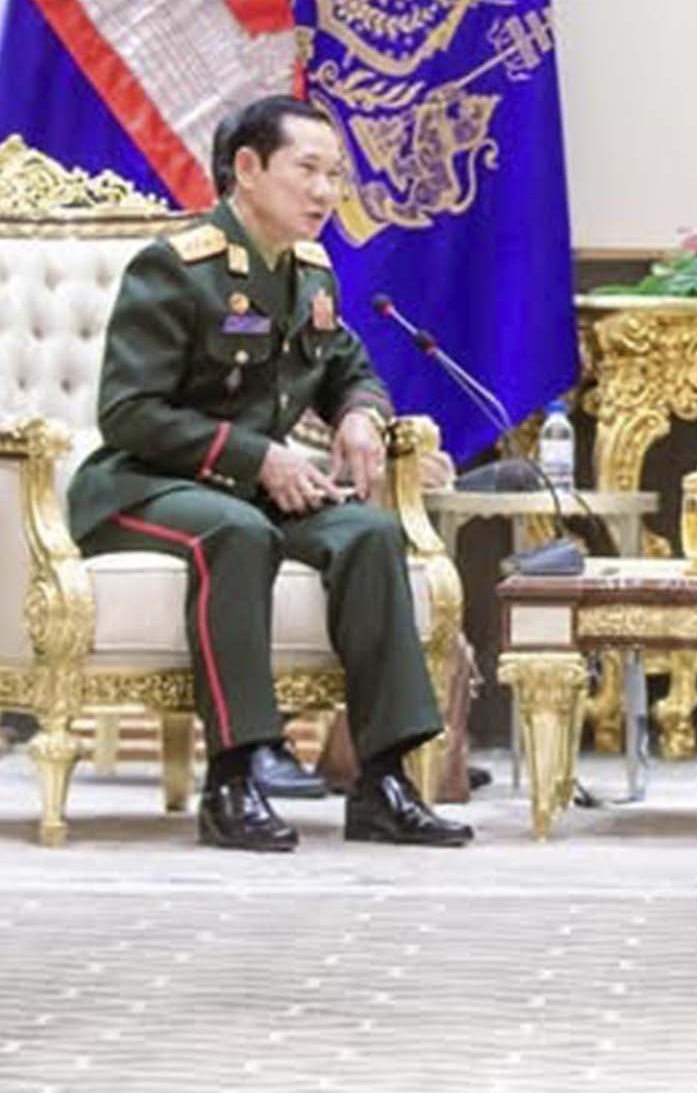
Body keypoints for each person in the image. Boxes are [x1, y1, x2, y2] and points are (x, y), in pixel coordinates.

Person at [70, 95, 472, 852]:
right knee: (236, 532)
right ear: (247, 169)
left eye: (334, 175)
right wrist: (257, 457)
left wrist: (359, 414)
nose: (325, 192)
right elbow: (127, 414)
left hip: (250, 490)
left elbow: (351, 369)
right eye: (308, 170)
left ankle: (383, 780)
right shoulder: (176, 269)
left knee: (369, 534)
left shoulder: (310, 274)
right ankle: (234, 778)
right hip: (141, 487)